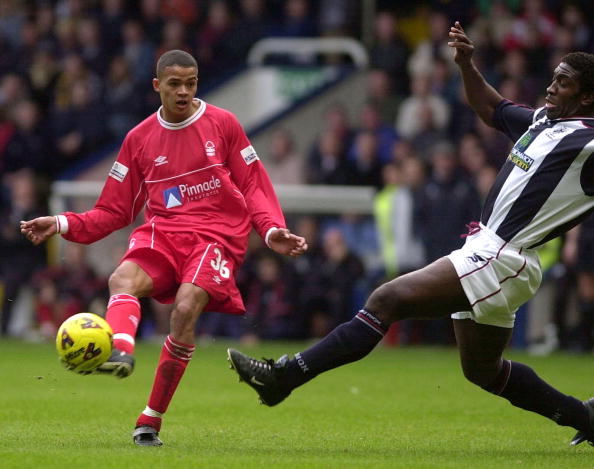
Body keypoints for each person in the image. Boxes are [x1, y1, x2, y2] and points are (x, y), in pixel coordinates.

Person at [227, 23, 594, 447]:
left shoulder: (587, 143)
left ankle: (284, 377)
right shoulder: (543, 121)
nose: (551, 87)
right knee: (483, 371)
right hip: (485, 248)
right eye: (553, 77)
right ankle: (583, 417)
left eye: (563, 82)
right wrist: (467, 65)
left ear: (586, 96)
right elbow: (491, 109)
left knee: (386, 300)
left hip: (506, 255)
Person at [20, 49, 307, 447]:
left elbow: (254, 183)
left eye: (191, 83)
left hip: (215, 236)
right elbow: (114, 211)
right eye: (175, 84)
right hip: (164, 232)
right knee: (121, 277)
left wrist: (272, 229)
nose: (184, 91)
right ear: (157, 85)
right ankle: (119, 349)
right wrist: (62, 222)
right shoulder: (138, 140)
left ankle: (149, 419)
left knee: (186, 306)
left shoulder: (224, 124)